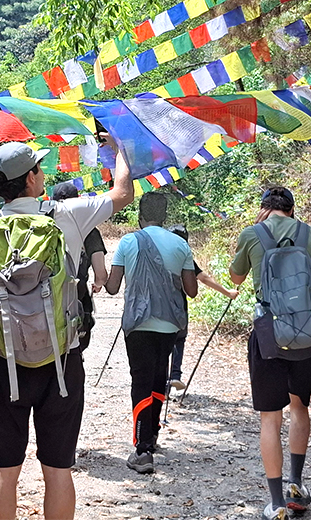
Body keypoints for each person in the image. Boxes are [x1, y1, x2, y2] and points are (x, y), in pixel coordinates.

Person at [0, 140, 133, 520]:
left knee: (2, 470)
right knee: (58, 470)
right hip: (62, 362)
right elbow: (123, 192)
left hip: (4, 363)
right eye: (39, 168)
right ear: (32, 178)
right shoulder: (67, 215)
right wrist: (119, 144)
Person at [229, 187, 311, 520]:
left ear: (264, 209)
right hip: (309, 337)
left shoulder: (252, 234)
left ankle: (275, 502)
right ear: (292, 210)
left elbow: (235, 276)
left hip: (269, 337)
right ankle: (296, 485)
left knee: (270, 418)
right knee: (300, 406)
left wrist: (253, 234)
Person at [104, 192, 198, 474]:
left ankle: (142, 448)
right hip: (169, 325)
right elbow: (191, 290)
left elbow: (112, 287)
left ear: (139, 217)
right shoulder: (180, 244)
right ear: (165, 217)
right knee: (159, 376)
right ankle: (152, 435)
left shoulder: (129, 242)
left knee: (140, 381)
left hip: (138, 325)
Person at [165, 225, 239, 394]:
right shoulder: (185, 257)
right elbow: (203, 278)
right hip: (179, 307)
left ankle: (162, 381)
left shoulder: (159, 253)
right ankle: (174, 374)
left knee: (162, 342)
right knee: (179, 339)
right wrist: (227, 292)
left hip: (156, 306)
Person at [51, 181, 109, 352]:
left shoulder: (45, 225)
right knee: (75, 351)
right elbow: (101, 275)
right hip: (78, 296)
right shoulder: (90, 231)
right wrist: (98, 285)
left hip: (48, 296)